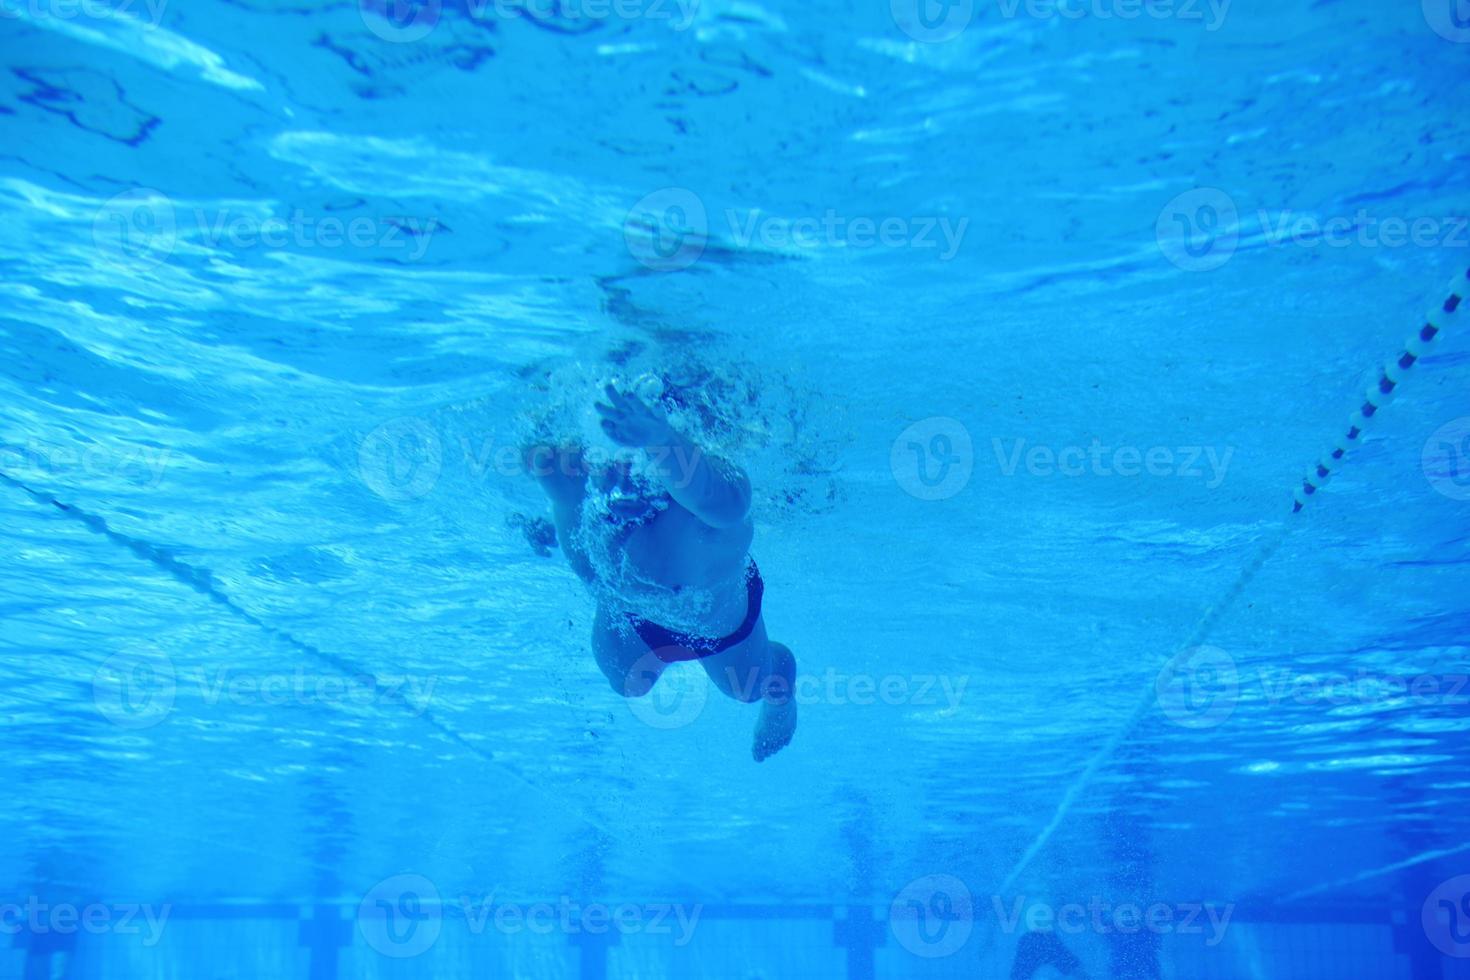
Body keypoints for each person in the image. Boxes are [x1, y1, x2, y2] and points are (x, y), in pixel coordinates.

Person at [525, 382, 797, 761]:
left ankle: (782, 706)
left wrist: (659, 439)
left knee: (750, 688)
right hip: (629, 615)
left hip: (717, 627)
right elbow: (543, 453)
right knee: (625, 682)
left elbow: (717, 496)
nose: (622, 476)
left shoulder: (716, 507)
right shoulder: (589, 481)